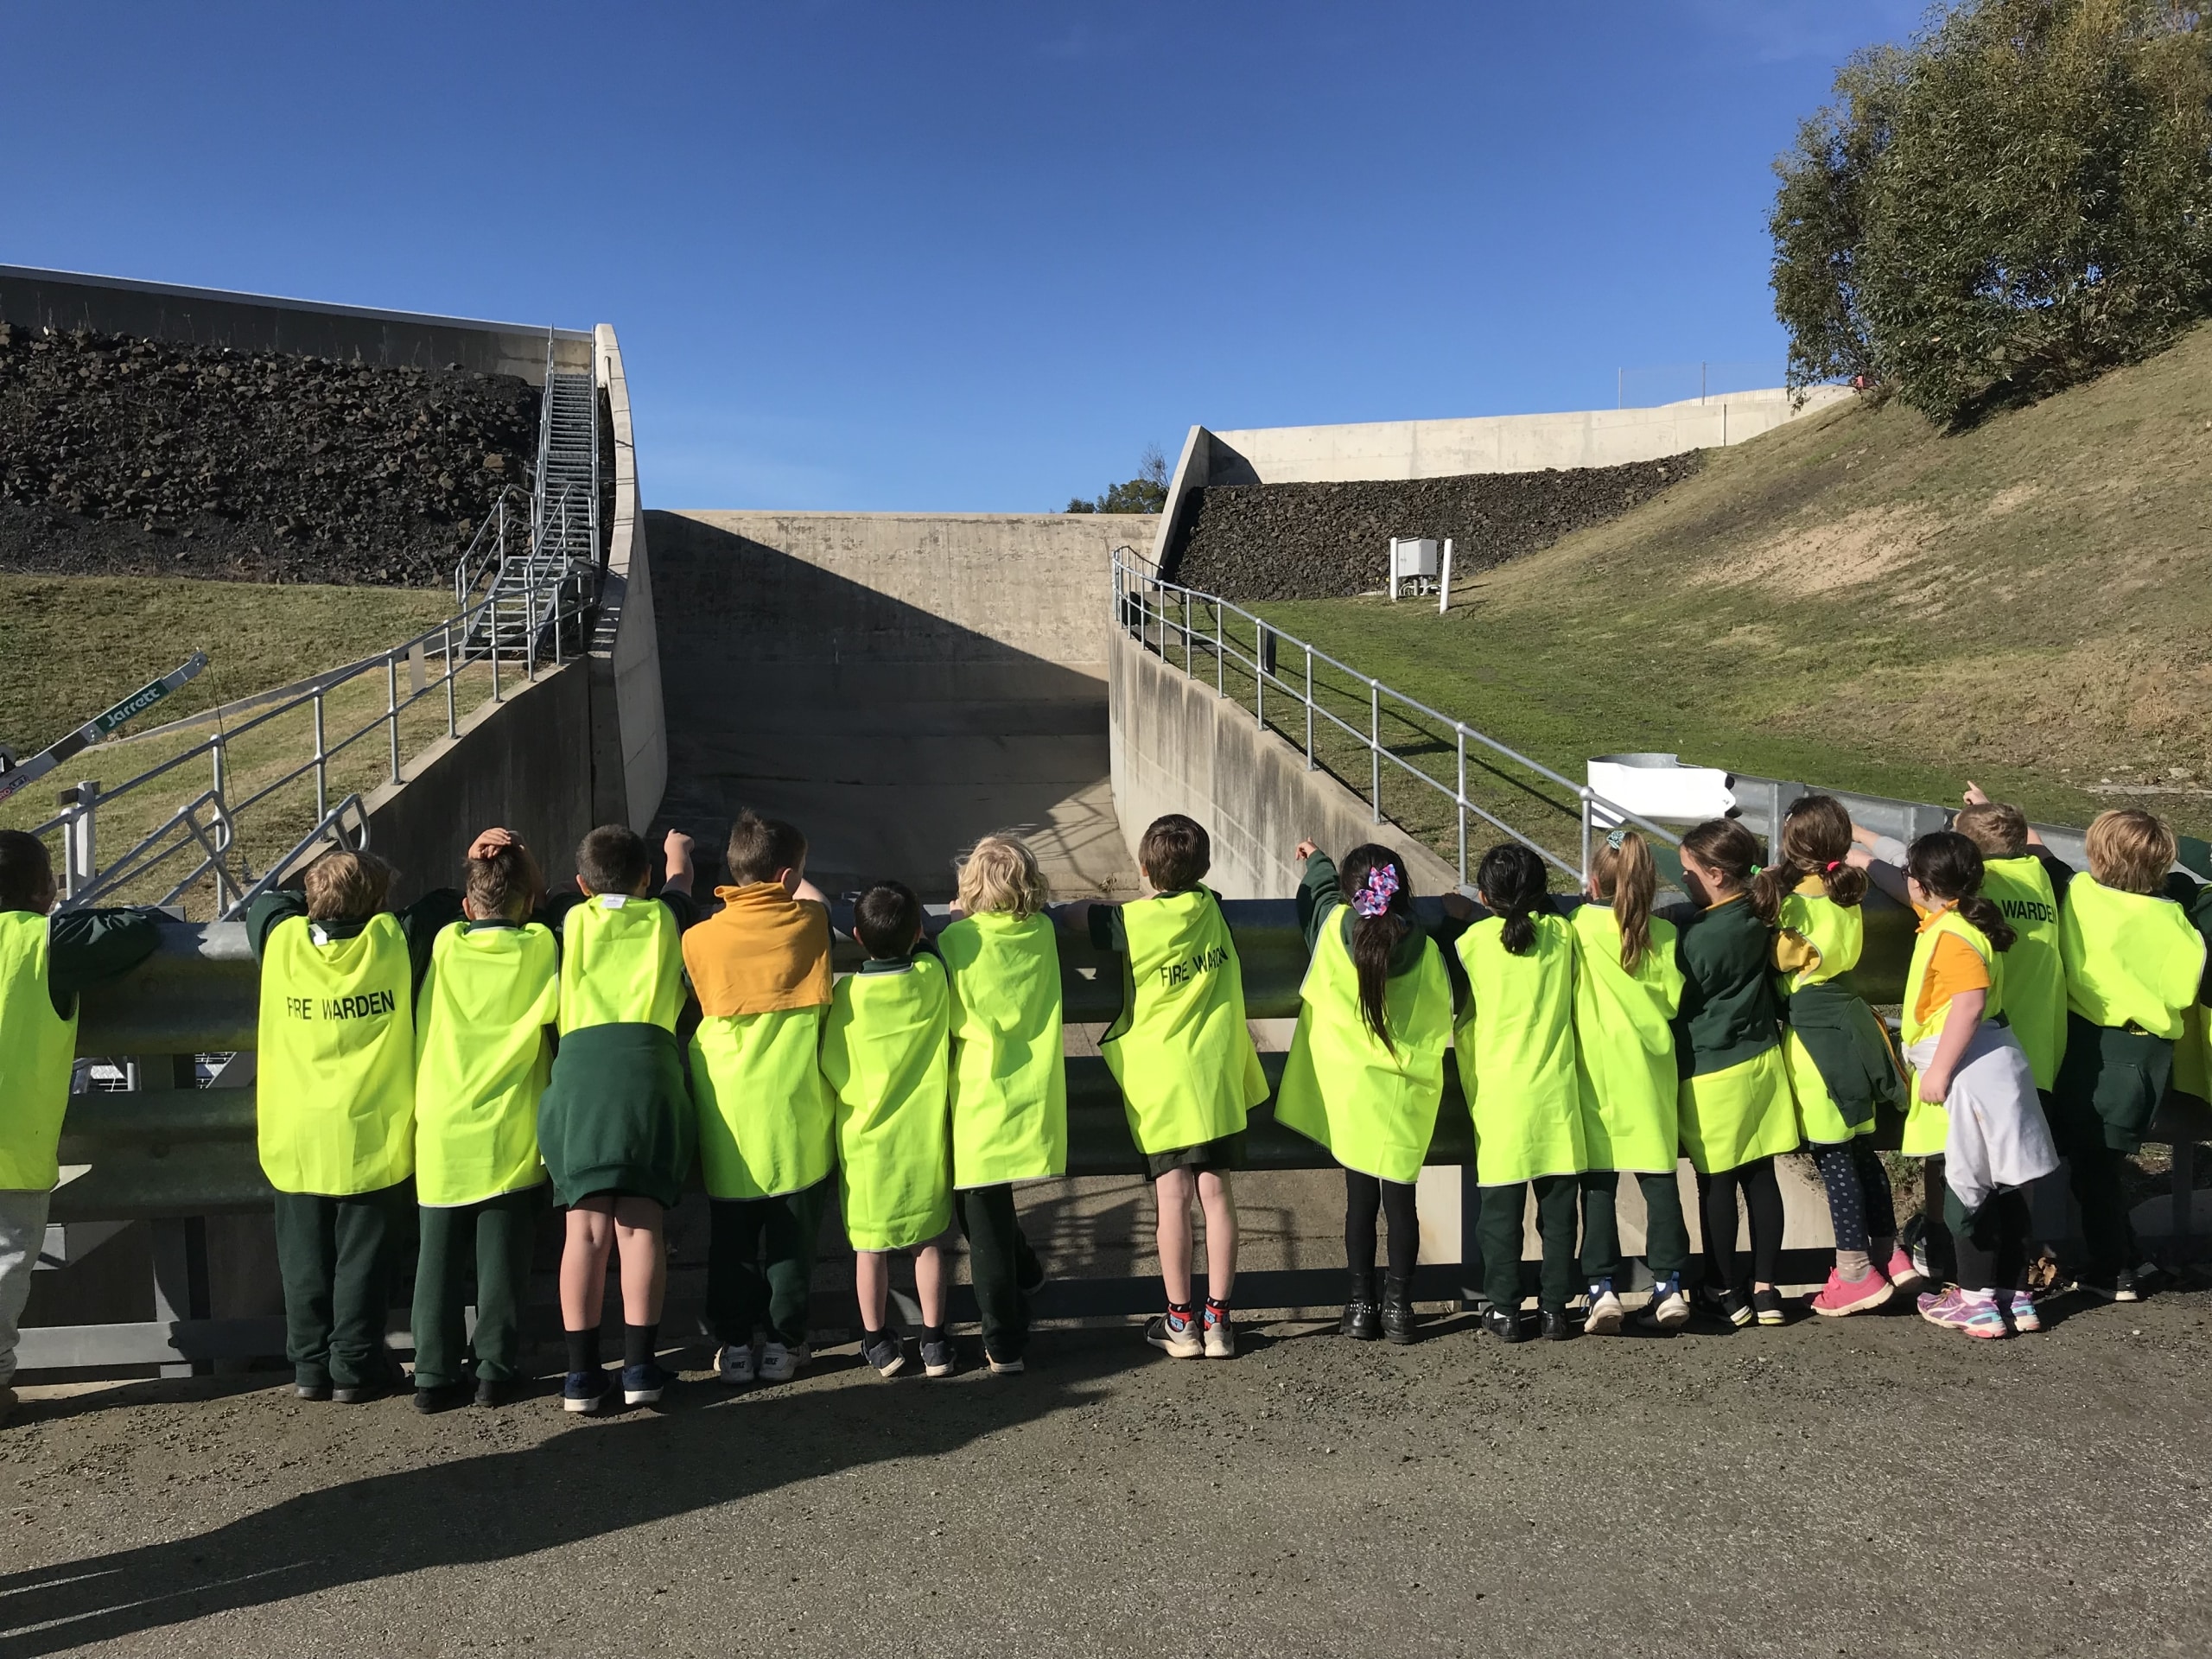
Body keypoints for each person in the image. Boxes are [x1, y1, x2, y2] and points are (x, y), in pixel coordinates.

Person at [250, 846, 460, 1405]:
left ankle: (309, 1364)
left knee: (303, 1260)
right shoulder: (396, 939)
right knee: (363, 1260)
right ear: (378, 902)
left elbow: (266, 903)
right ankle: (355, 1363)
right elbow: (446, 903)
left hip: (296, 1131)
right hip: (371, 1130)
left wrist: (314, 897)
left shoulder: (282, 941)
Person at [1059, 813, 1267, 1361]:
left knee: (1172, 1198)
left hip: (1163, 1086)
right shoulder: (1212, 908)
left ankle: (1180, 1322)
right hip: (1216, 1075)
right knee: (1217, 1195)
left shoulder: (1132, 922)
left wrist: (1085, 905)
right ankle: (1219, 1321)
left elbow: (1079, 917)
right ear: (1204, 868)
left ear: (1145, 870)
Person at [0, 831, 160, 1425]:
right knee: (4, 1270)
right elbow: (135, 931)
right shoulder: (44, 942)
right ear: (40, 890)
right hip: (12, 1149)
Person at [537, 824, 698, 1414]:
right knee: (640, 1226)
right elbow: (681, 883)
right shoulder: (666, 917)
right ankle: (640, 1368)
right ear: (647, 878)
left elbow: (540, 893)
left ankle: (581, 1375)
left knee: (583, 1231)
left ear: (582, 885)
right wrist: (678, 853)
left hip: (580, 1075)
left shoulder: (566, 919)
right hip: (648, 1071)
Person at [1275, 840, 1455, 1345]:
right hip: (1405, 1098)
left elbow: (1317, 900)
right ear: (1401, 890)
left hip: (1351, 1094)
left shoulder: (1334, 929)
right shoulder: (1426, 947)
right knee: (1402, 1205)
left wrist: (1317, 863)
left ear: (1351, 893)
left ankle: (1359, 1306)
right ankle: (1399, 1308)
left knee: (1359, 1204)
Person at [684, 810, 836, 1386]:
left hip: (729, 1114)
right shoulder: (809, 925)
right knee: (792, 1239)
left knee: (732, 1239)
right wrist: (793, 882)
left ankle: (732, 1344)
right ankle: (782, 1343)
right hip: (797, 1113)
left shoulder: (699, 939)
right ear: (788, 878)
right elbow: (817, 901)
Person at [408, 832, 558, 1413]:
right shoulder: (539, 946)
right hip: (509, 1126)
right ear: (528, 904)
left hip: (442, 1122)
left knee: (436, 1260)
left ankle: (432, 1374)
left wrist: (476, 858)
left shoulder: (446, 942)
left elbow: (443, 903)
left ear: (468, 908)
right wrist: (526, 857)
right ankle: (494, 1368)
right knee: (502, 1263)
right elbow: (545, 900)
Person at [1897, 831, 2058, 1338]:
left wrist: (1939, 1072)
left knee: (1968, 1186)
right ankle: (2015, 1295)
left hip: (1966, 1068)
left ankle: (1976, 1300)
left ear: (1922, 884)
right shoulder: (1968, 920)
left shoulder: (1951, 935)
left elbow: (1969, 1003)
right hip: (1998, 1059)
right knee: (2010, 1183)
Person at [1754, 795, 1905, 1317]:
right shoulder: (1848, 893)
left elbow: (1780, 958)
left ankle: (1855, 1271)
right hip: (1853, 1023)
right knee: (1863, 1150)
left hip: (1814, 1040)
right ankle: (1891, 1255)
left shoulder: (1791, 905)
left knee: (1833, 1154)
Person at [2050, 809, 2206, 1302]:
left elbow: (2049, 866)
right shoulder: (2176, 916)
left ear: (2098, 854)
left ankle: (2112, 1270)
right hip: (2149, 1054)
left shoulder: (2079, 893)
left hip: (2096, 1047)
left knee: (2092, 1169)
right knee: (2102, 1163)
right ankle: (2128, 1257)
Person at [1453, 842, 1587, 1343]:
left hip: (1500, 1098)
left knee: (1500, 1217)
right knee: (1559, 1216)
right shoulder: (1563, 935)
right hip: (1556, 1096)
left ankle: (1505, 1309)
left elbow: (1485, 934)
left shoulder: (1474, 941)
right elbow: (1542, 916)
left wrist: (1467, 911)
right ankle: (1555, 1309)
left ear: (1485, 897)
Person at [938, 834, 1061, 1375]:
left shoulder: (955, 941)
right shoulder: (1043, 931)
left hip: (977, 1096)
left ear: (969, 888)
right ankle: (1027, 1270)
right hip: (1033, 1092)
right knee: (987, 1209)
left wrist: (957, 920)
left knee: (980, 1216)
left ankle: (1004, 1340)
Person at [823, 880, 956, 1379]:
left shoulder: (848, 995)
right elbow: (930, 954)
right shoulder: (931, 978)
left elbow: (832, 1064)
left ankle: (877, 1341)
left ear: (857, 937)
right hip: (922, 1136)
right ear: (918, 931)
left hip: (866, 1142)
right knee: (928, 1242)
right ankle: (935, 1341)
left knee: (870, 1246)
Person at [1672, 818, 1797, 1328]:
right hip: (1762, 1060)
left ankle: (1724, 1288)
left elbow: (1675, 999)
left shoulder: (1699, 937)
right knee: (1762, 1177)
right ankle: (1767, 1289)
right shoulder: (1758, 910)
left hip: (1710, 1070)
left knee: (1717, 1185)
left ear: (1717, 875)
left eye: (1688, 870)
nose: (1682, 879)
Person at [1569, 830, 1692, 1333]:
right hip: (1649, 1070)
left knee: (1598, 1183)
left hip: (1595, 1070)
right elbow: (1671, 1002)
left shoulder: (1578, 926)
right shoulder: (1663, 934)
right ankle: (1669, 1284)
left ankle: (1602, 1288)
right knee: (1659, 1179)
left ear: (1594, 882)